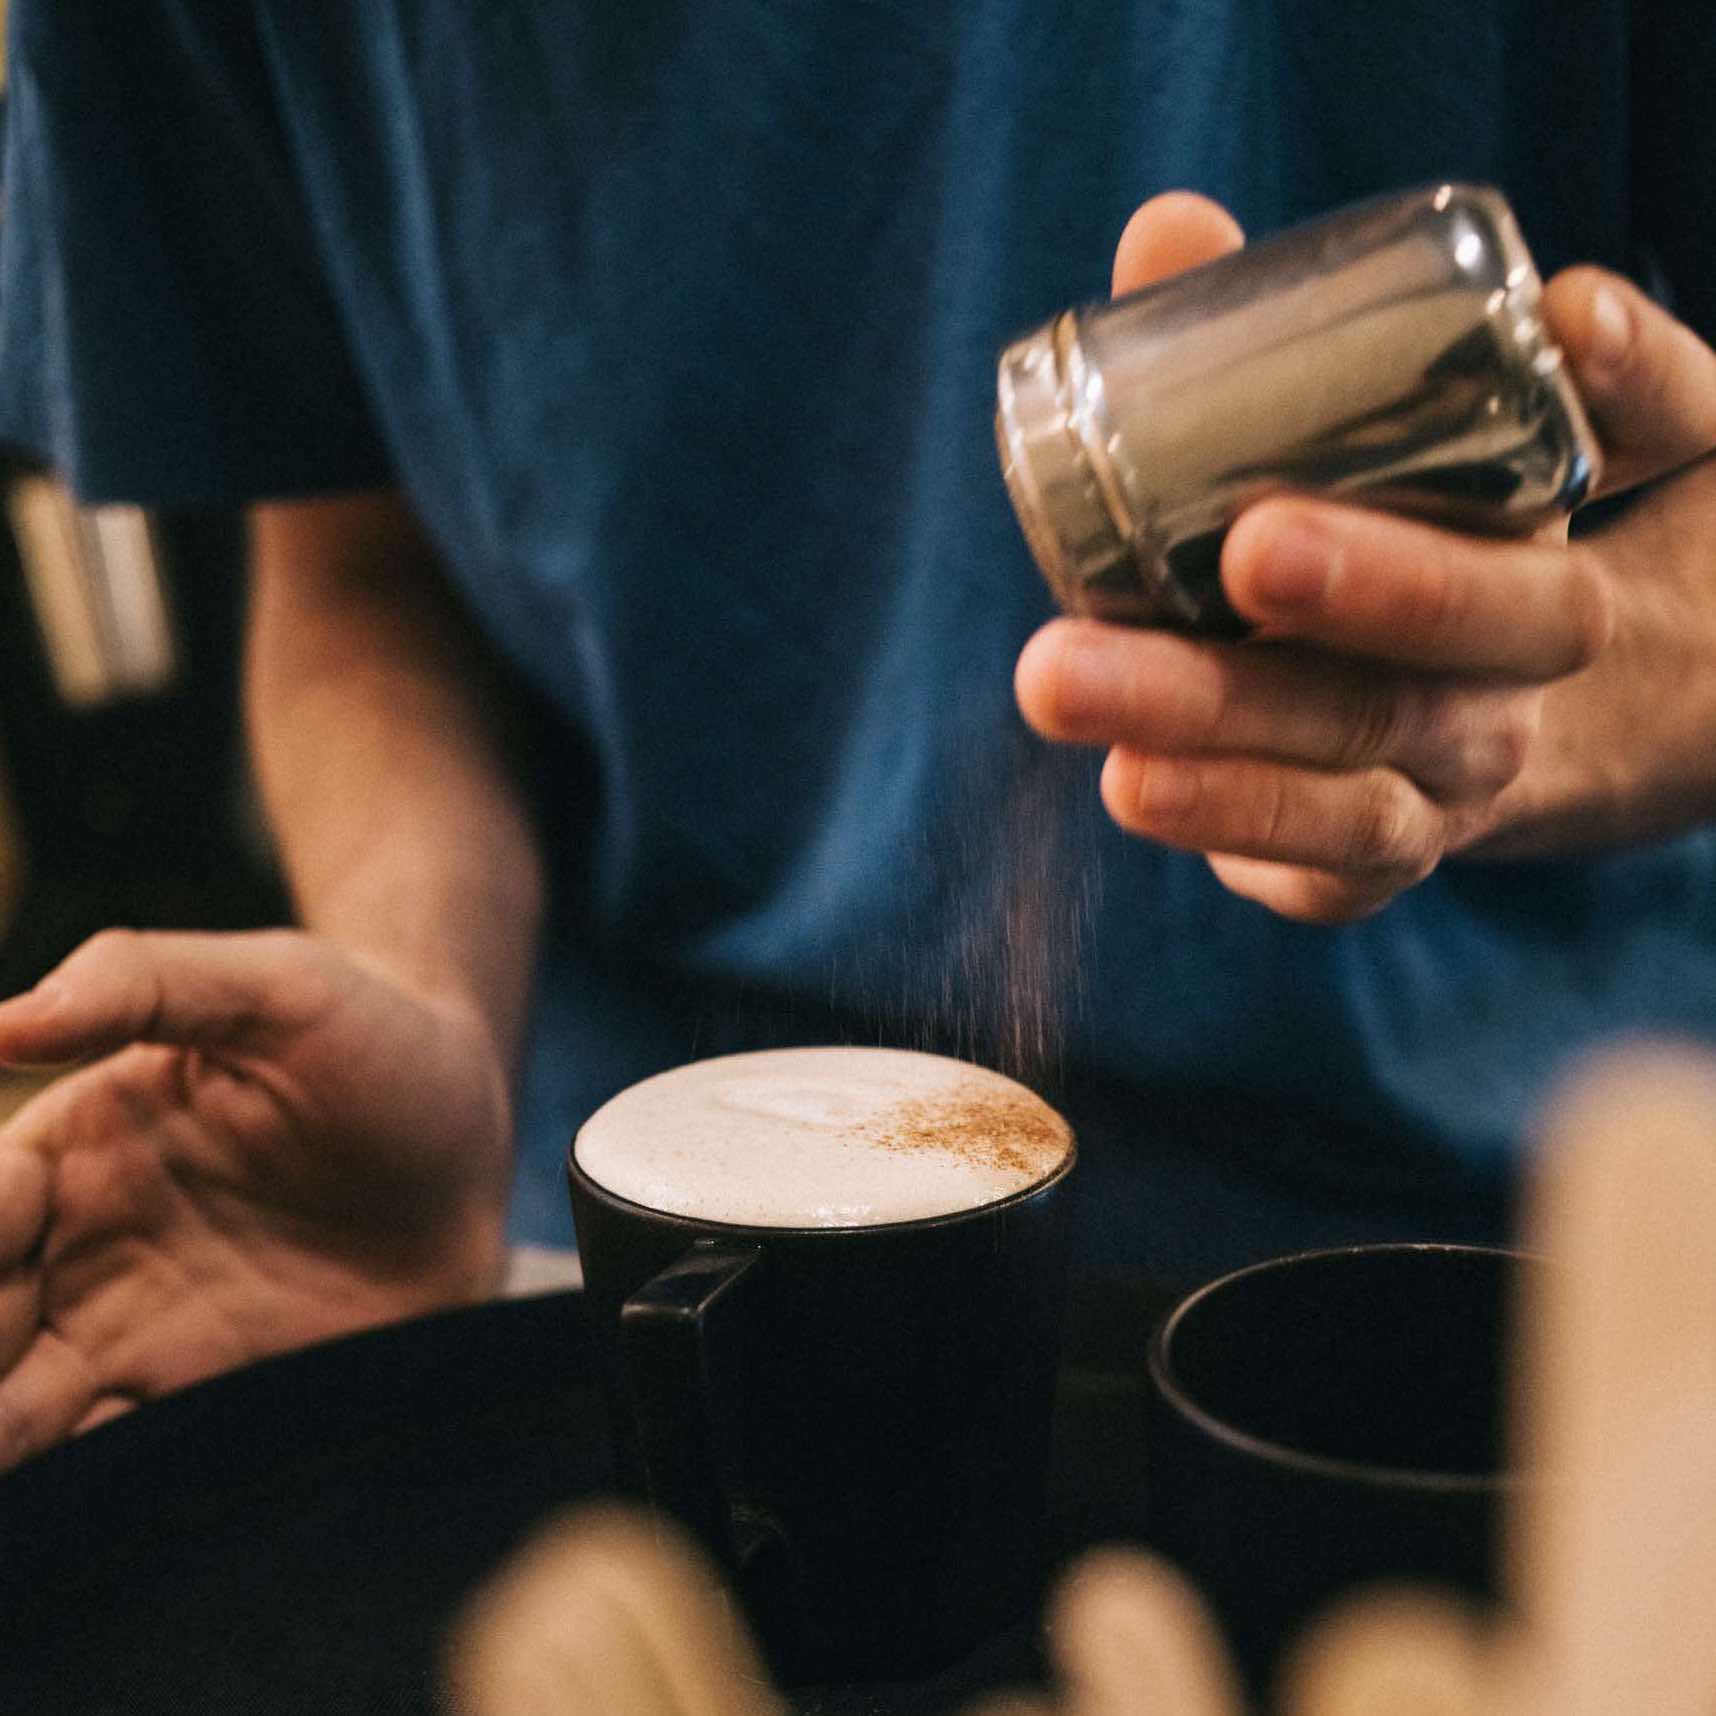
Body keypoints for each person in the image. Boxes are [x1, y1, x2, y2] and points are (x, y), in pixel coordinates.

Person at [0, 0, 1712, 1472]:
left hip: (1535, 1262)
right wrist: (434, 992)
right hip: (628, 1269)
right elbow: (362, 563)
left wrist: (1569, 677)